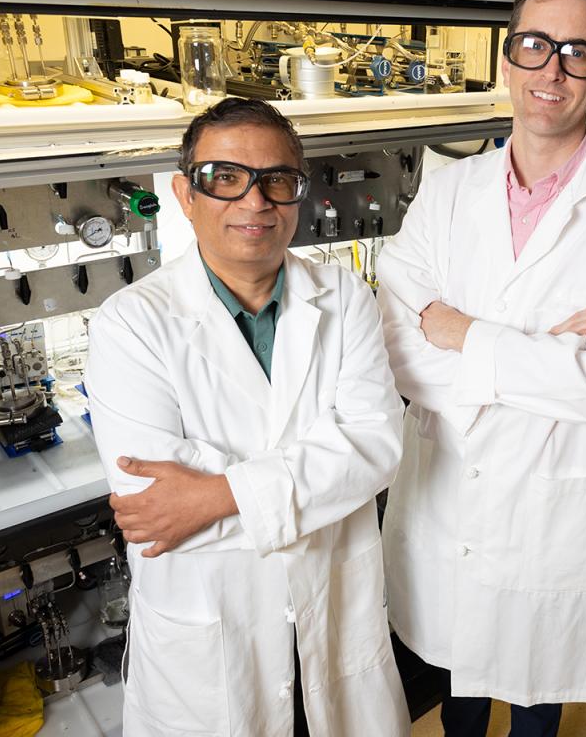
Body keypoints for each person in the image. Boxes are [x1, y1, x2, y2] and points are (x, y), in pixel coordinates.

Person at [376, 0, 586, 737]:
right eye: (536, 45)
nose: (553, 69)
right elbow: (396, 349)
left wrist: (458, 329)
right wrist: (538, 351)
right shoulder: (448, 189)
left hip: (547, 507)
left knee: (537, 692)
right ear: (507, 57)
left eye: (577, 53)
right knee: (459, 686)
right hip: (447, 492)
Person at [85, 98, 409, 737]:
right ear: (185, 193)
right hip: (210, 637)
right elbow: (157, 510)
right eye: (225, 178)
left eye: (277, 181)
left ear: (299, 195)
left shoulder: (343, 294)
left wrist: (216, 493)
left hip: (330, 610)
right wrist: (317, 483)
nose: (254, 202)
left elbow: (375, 446)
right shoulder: (130, 324)